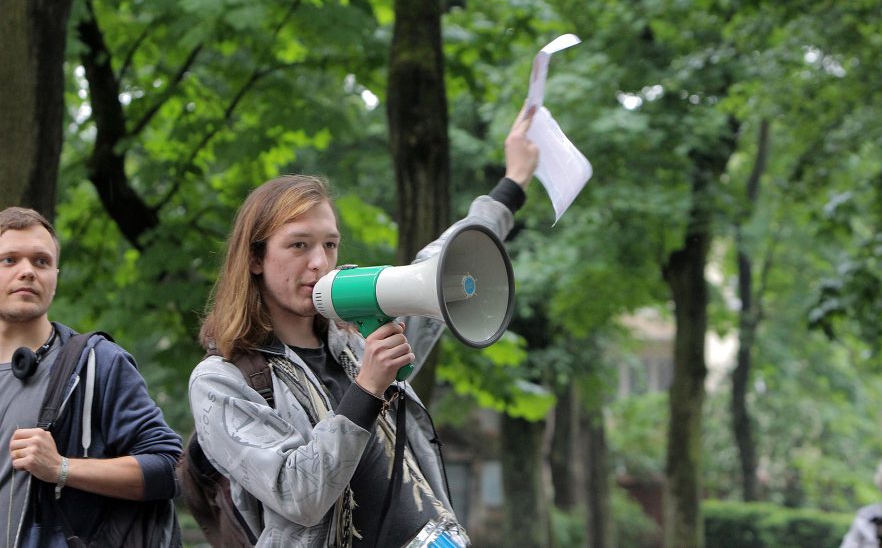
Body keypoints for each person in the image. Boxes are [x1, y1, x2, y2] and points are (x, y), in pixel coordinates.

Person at [187, 104, 539, 547]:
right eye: (299, 245)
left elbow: (441, 266)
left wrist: (513, 183)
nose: (319, 262)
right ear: (255, 258)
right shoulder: (222, 381)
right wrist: (367, 388)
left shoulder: (357, 337)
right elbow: (299, 495)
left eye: (329, 244)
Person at [0, 207, 183, 547]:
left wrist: (61, 468)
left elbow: (169, 468)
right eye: (9, 260)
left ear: (55, 274)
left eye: (40, 261)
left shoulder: (97, 362)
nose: (27, 272)